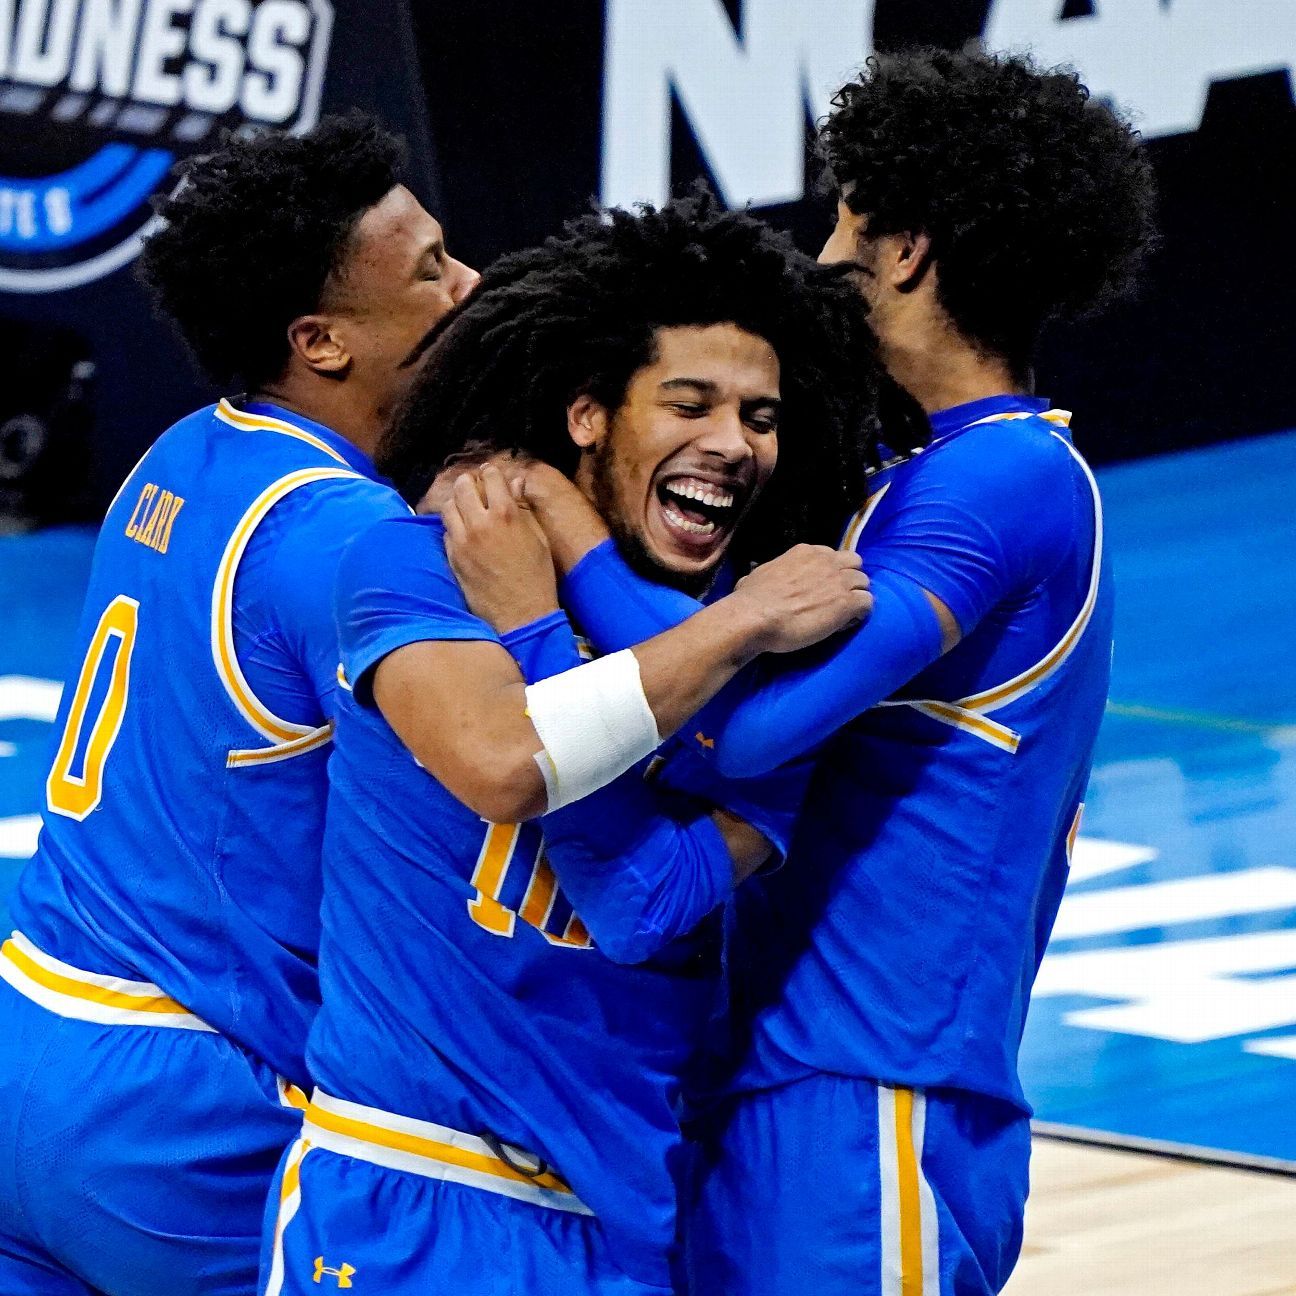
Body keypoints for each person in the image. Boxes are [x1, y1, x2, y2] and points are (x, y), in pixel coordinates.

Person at [492, 48, 1158, 1296]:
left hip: (874, 1093)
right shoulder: (911, 472)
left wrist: (564, 539)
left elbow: (743, 735)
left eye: (848, 222)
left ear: (905, 249)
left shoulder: (1005, 479)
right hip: (787, 1070)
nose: (827, 256)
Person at [258, 193, 885, 1296]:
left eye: (761, 416)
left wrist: (550, 626)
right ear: (589, 416)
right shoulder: (419, 562)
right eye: (689, 403)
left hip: (622, 1221)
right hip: (414, 1192)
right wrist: (728, 624)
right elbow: (506, 765)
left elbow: (642, 903)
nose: (731, 443)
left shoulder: (781, 669)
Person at [0, 114, 478, 1296]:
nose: (471, 285)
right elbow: (502, 765)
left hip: (29, 1025)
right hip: (181, 1106)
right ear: (320, 341)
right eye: (431, 270)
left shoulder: (176, 451)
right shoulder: (345, 536)